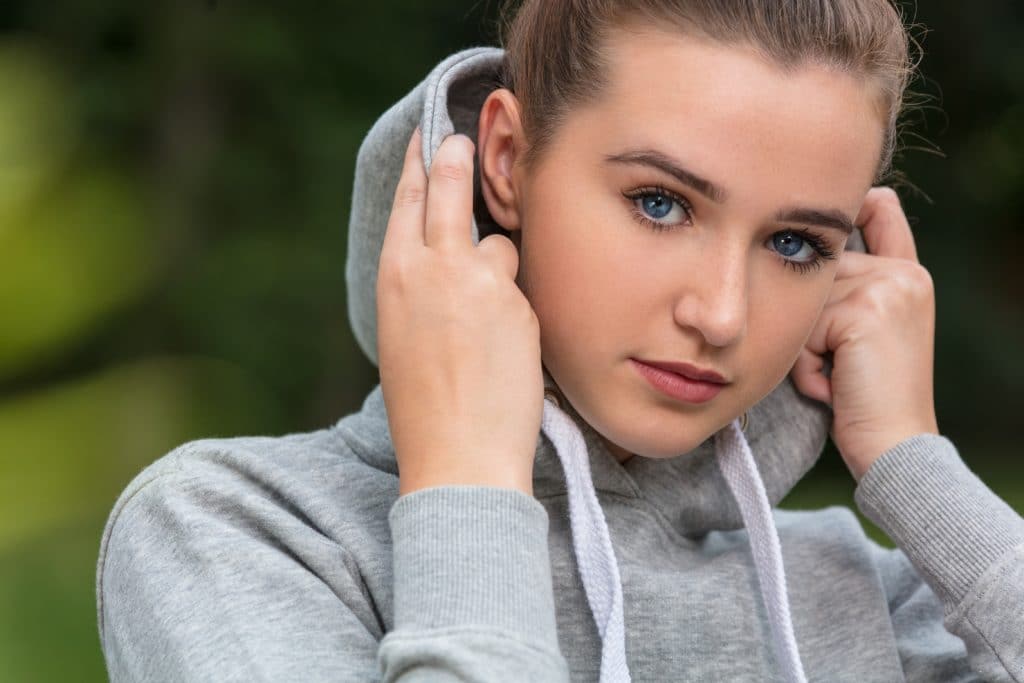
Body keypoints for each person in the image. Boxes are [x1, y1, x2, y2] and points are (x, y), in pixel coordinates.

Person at [95, 1, 1024, 681]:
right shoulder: (240, 534)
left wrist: (915, 463)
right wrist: (466, 476)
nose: (723, 314)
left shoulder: (879, 598)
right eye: (660, 203)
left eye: (794, 243)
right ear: (505, 160)